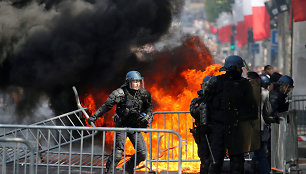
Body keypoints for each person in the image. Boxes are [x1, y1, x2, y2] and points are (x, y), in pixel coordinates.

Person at [87, 71, 153, 174]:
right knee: (118, 153)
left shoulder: (144, 94)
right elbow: (106, 106)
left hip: (134, 127)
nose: (137, 84)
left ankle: (128, 167)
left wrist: (146, 116)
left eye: (138, 81)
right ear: (128, 82)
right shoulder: (119, 93)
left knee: (142, 153)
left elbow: (149, 108)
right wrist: (95, 116)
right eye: (134, 81)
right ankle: (109, 171)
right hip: (121, 126)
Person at [208, 55, 259, 174]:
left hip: (235, 128)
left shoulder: (243, 84)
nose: (240, 71)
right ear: (236, 68)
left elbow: (252, 108)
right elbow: (207, 103)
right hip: (221, 128)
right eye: (239, 68)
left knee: (236, 163)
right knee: (216, 161)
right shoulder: (217, 83)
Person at [190, 75, 215, 174]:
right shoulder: (198, 100)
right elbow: (193, 111)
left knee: (215, 160)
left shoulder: (217, 99)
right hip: (202, 134)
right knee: (205, 160)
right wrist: (202, 107)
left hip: (215, 132)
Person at [249, 74, 271, 174]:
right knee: (261, 154)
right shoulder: (266, 93)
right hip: (261, 129)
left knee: (255, 154)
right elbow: (269, 111)